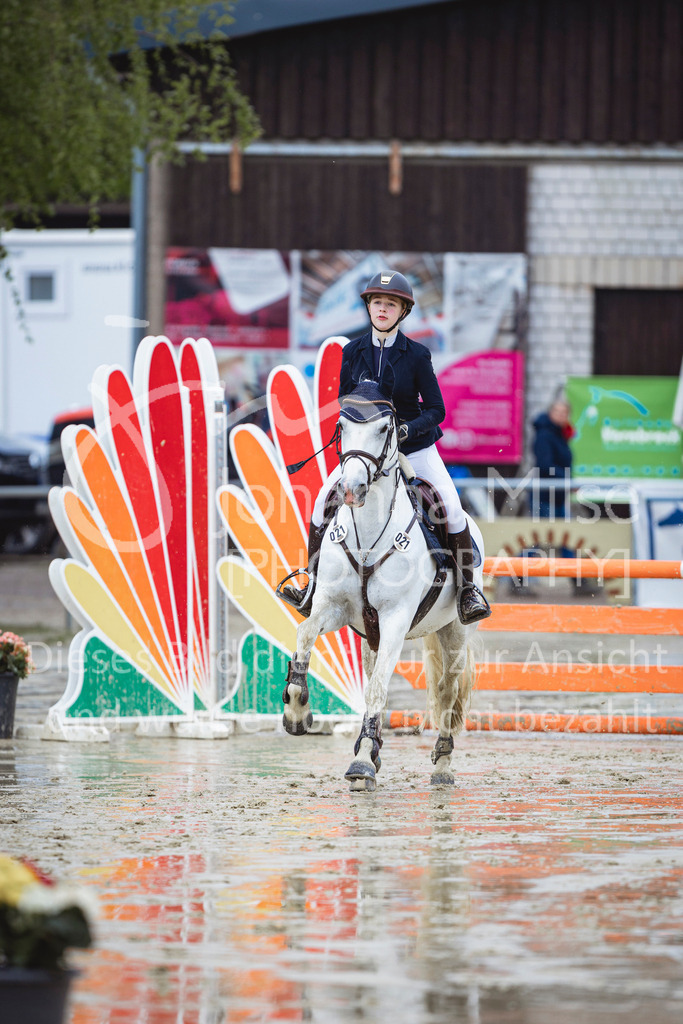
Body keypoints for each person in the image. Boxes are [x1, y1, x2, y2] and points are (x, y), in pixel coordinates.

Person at [280, 270, 491, 626]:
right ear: (368, 307)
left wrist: (406, 429)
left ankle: (468, 591)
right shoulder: (352, 351)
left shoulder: (417, 355)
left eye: (390, 304)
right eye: (377, 302)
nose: (382, 309)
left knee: (452, 509)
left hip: (414, 449)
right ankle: (311, 585)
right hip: (368, 452)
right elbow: (345, 400)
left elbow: (437, 410)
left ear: (402, 311)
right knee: (320, 503)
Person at [532, 398, 573, 518]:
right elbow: (544, 465)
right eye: (557, 411)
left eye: (564, 412)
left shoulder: (560, 435)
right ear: (550, 413)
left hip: (558, 496)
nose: (560, 415)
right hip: (545, 496)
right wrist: (567, 479)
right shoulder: (544, 435)